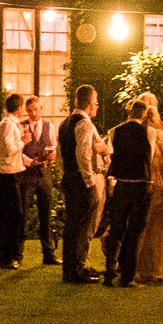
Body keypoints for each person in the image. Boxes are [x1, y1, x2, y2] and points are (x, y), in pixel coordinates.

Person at [102, 100, 154, 287]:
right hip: (140, 184)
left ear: (130, 113)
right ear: (144, 115)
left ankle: (109, 271)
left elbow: (112, 157)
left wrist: (111, 179)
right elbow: (149, 158)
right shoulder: (147, 132)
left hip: (122, 183)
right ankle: (127, 275)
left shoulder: (116, 131)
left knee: (117, 229)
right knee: (135, 231)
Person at [58, 84, 101, 284]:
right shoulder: (84, 124)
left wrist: (62, 174)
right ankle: (76, 270)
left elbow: (60, 154)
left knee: (73, 225)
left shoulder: (65, 123)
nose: (98, 105)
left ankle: (74, 267)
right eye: (96, 101)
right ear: (89, 102)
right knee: (82, 225)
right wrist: (90, 180)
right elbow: (82, 154)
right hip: (80, 180)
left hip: (69, 177)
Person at [136, 93, 163, 281]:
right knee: (159, 227)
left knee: (144, 225)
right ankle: (156, 267)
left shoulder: (141, 133)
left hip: (149, 181)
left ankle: (143, 267)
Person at [0, 93, 30, 268]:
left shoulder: (10, 124)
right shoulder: (8, 125)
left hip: (12, 172)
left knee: (6, 215)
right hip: (8, 174)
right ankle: (7, 256)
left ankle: (1, 256)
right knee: (14, 215)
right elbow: (8, 149)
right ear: (19, 107)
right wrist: (23, 142)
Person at [20, 96, 59, 267]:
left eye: (35, 109)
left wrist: (51, 156)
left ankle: (48, 254)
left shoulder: (49, 127)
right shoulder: (21, 126)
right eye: (29, 110)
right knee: (23, 215)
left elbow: (53, 146)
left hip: (43, 175)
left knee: (45, 215)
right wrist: (30, 161)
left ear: (41, 108)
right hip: (26, 176)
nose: (33, 113)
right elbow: (17, 150)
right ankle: (17, 254)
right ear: (26, 111)